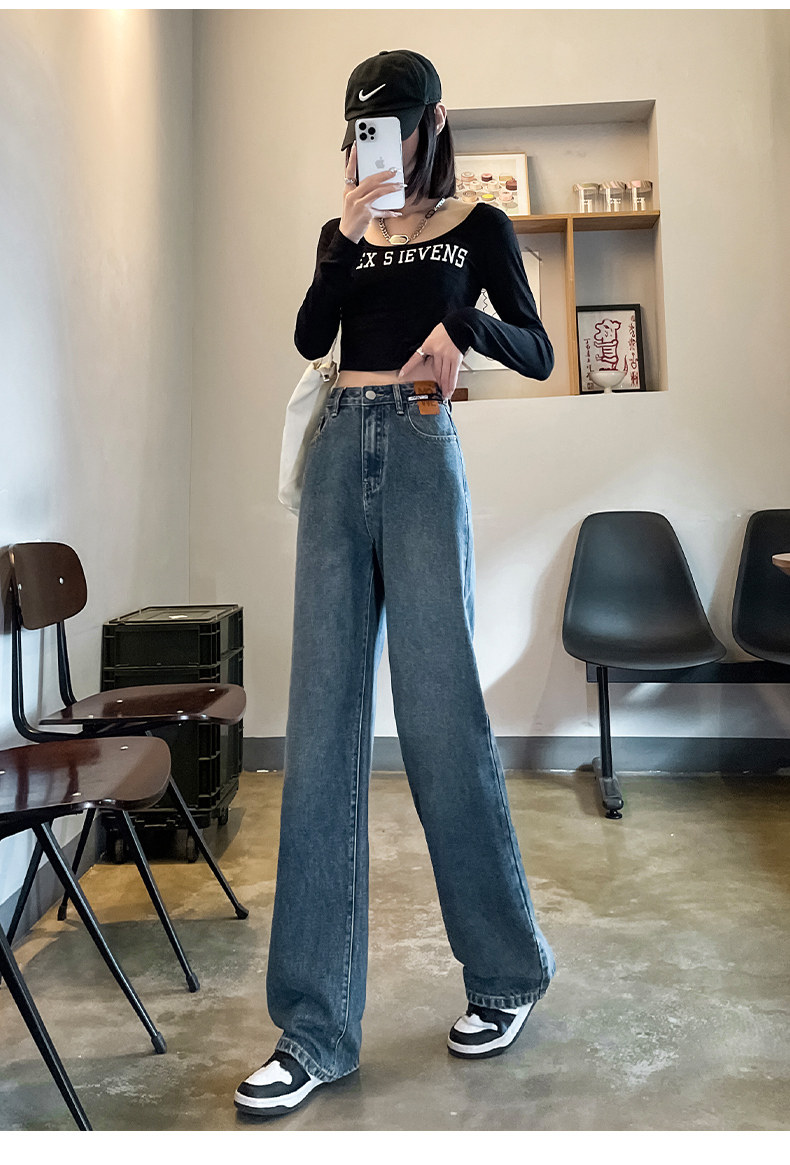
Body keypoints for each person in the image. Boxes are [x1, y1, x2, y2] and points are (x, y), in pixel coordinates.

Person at [235, 48, 557, 1119]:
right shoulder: (346, 231)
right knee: (321, 734)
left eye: (394, 124)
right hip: (338, 452)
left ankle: (507, 973)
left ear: (434, 122)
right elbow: (308, 337)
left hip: (421, 451)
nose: (377, 142)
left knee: (439, 718)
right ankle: (314, 1027)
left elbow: (537, 348)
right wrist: (344, 236)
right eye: (361, 127)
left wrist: (460, 327)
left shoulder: (480, 226)